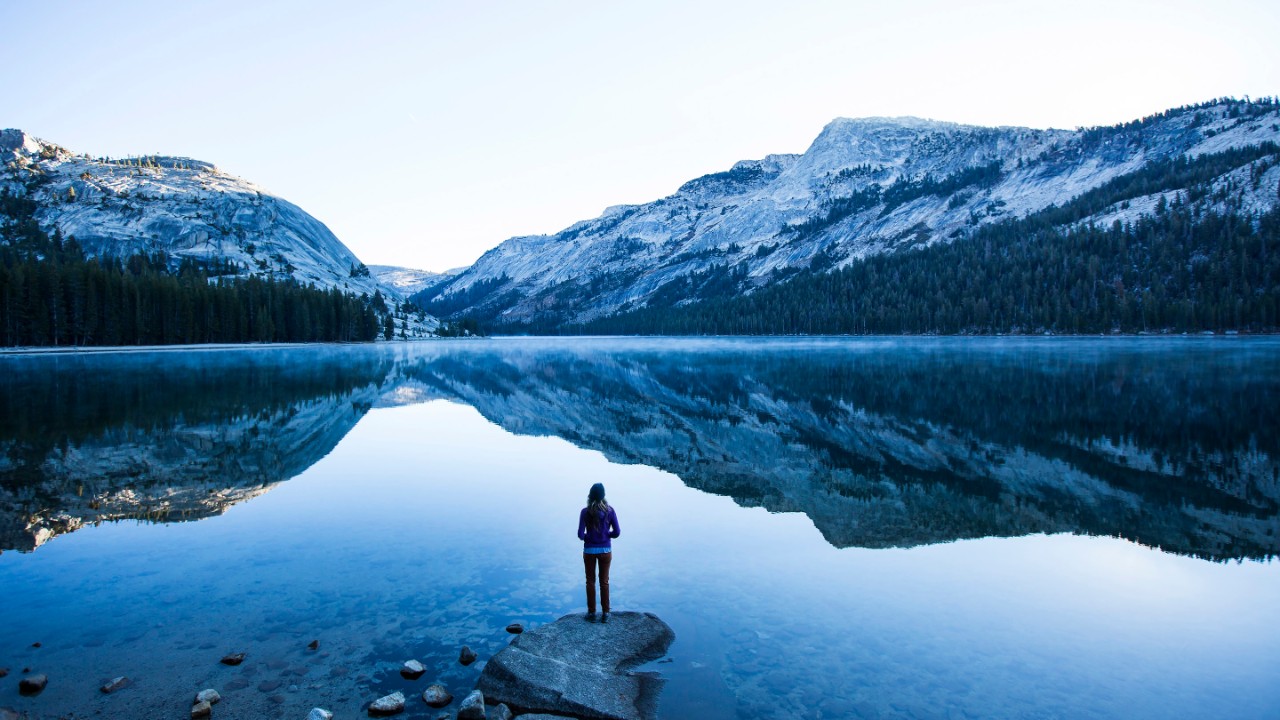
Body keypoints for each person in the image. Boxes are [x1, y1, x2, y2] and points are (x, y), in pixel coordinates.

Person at [577, 482, 620, 623]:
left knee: (590, 581)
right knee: (604, 582)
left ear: (590, 496)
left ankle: (591, 613)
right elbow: (617, 532)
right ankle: (606, 613)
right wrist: (607, 535)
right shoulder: (610, 511)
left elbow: (580, 534)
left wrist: (588, 537)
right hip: (605, 550)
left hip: (589, 550)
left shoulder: (585, 512)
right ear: (603, 496)